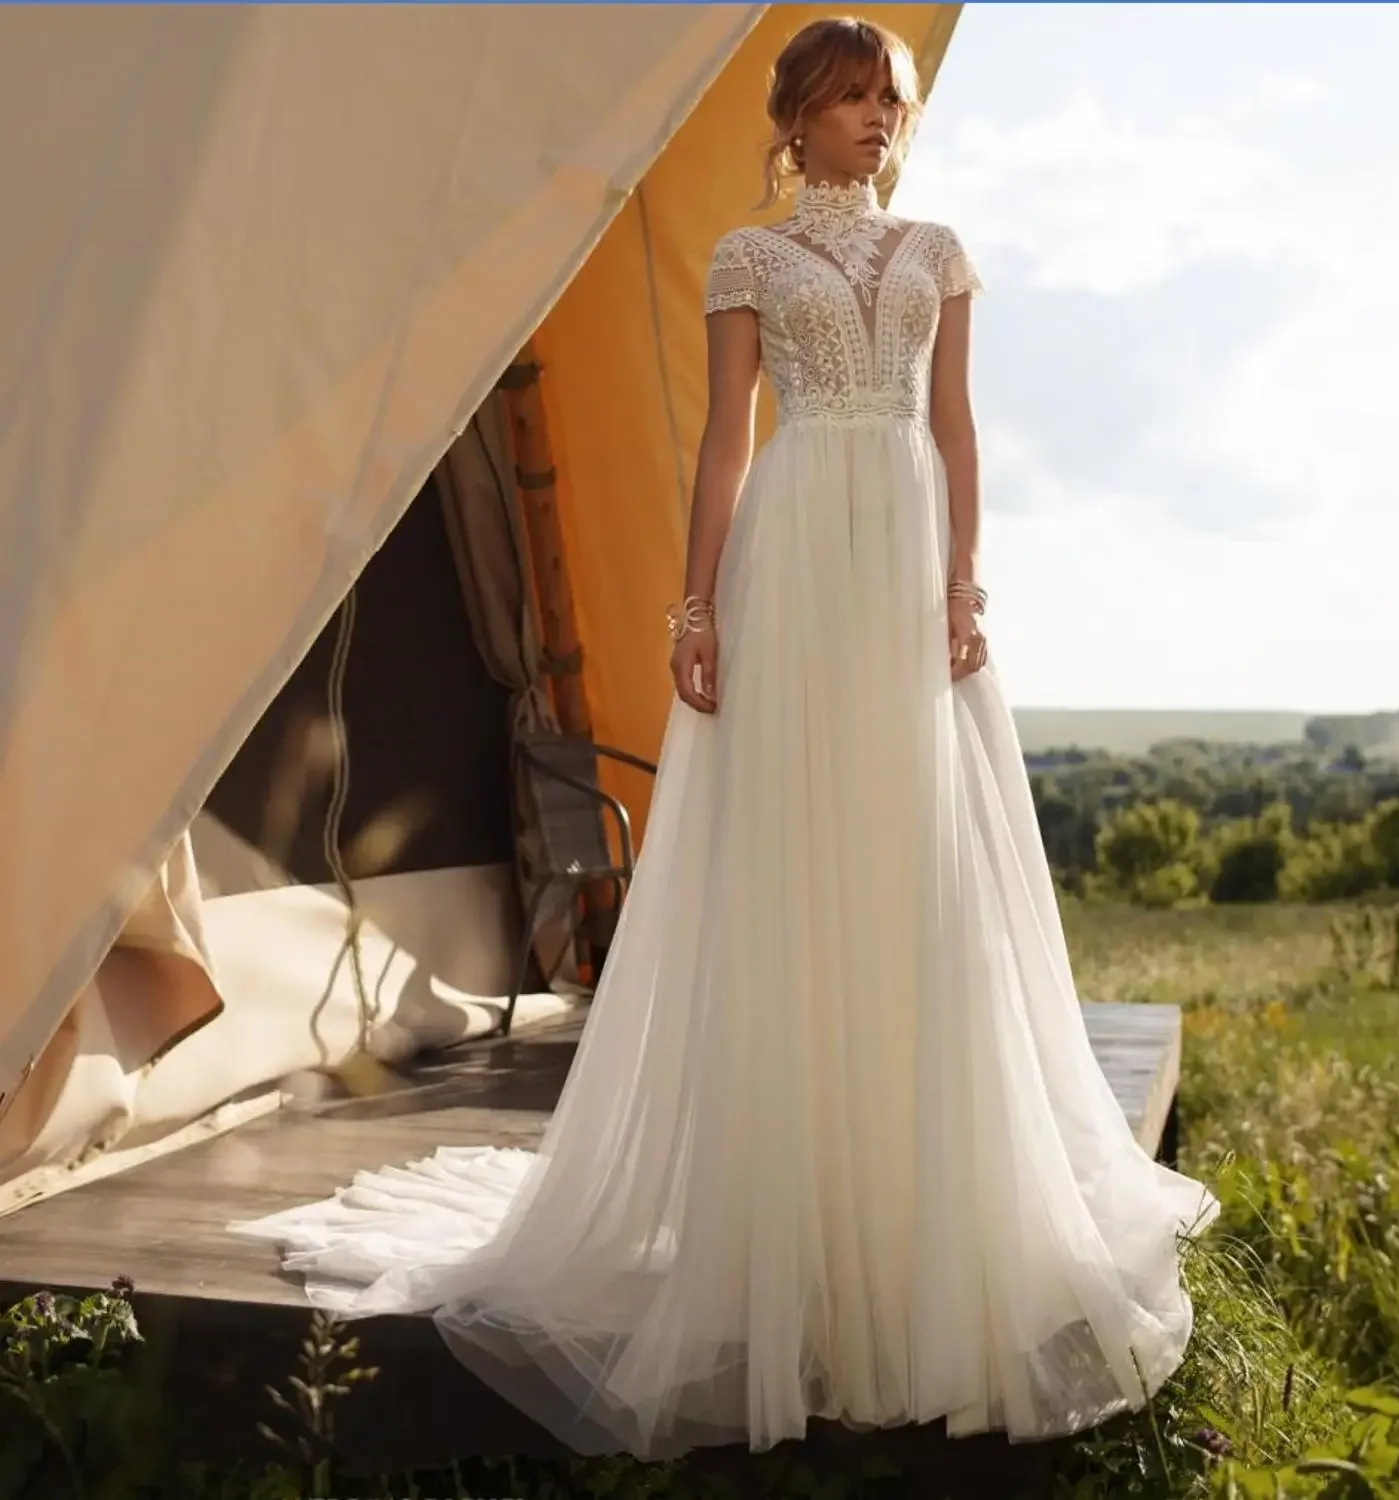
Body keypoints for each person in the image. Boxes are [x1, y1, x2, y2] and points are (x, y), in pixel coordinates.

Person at [232, 15, 1218, 1461]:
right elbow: (721, 442)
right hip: (792, 559)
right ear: (795, 118)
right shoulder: (743, 260)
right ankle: (795, 1218)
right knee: (792, 861)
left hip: (898, 561)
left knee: (913, 864)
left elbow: (956, 430)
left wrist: (961, 587)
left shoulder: (940, 250)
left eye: (889, 95)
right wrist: (694, 611)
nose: (877, 115)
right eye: (847, 96)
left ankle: (912, 1207)